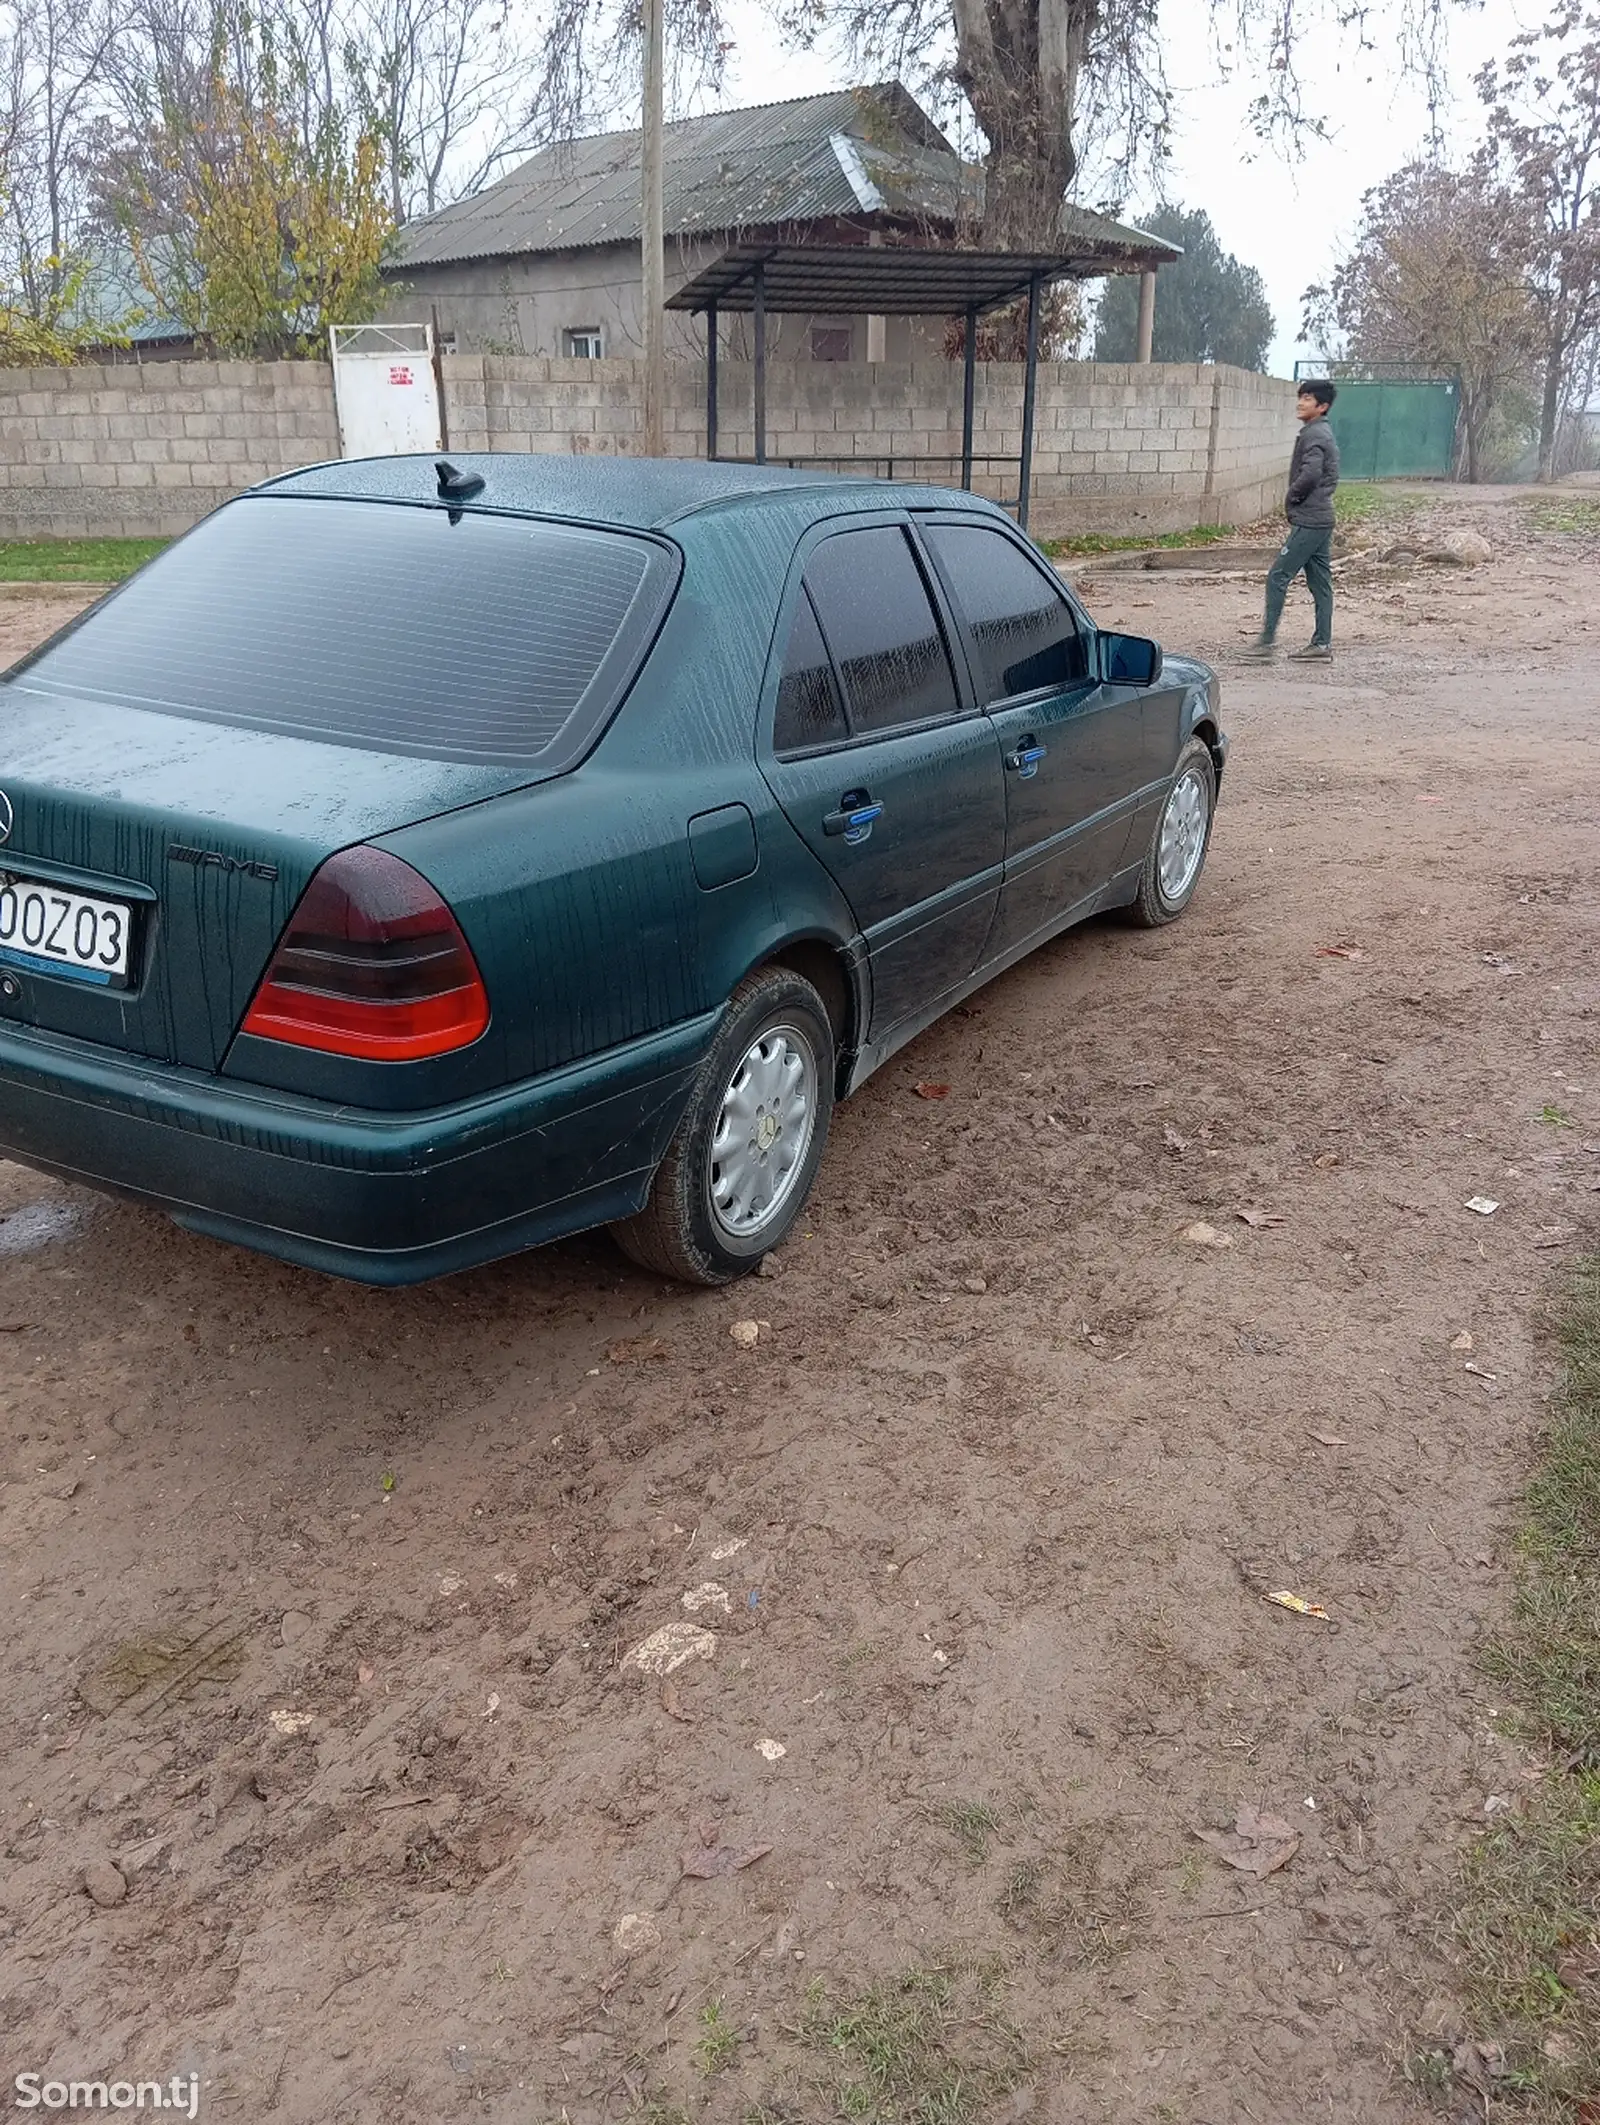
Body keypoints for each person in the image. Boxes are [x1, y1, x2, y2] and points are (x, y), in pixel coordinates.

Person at [1242, 380, 1340, 662]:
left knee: (1278, 576)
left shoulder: (1316, 435)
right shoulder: (1319, 432)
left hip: (1311, 519)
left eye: (1307, 398)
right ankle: (1321, 645)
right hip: (1321, 518)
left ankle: (1266, 644)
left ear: (1322, 407)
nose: (1300, 403)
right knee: (1321, 584)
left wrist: (1292, 497)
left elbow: (1311, 474)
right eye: (1301, 397)